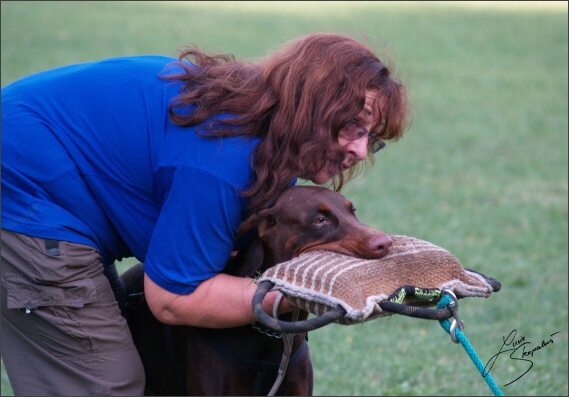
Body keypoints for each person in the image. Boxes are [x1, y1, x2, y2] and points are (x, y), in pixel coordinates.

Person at [1, 32, 410, 395]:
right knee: (107, 383)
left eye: (371, 138)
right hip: (20, 190)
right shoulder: (226, 158)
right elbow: (174, 299)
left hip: (49, 185)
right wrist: (308, 292)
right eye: (353, 126)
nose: (359, 150)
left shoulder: (266, 139)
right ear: (312, 107)